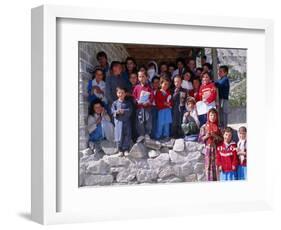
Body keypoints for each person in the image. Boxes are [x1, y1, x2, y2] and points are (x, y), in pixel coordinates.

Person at [199, 108, 223, 181]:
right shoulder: (204, 127)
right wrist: (207, 136)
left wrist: (215, 136)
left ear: (217, 116)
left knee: (216, 166)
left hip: (217, 150)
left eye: (214, 115)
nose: (212, 117)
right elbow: (200, 140)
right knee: (209, 167)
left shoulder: (219, 127)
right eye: (211, 115)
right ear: (208, 116)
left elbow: (223, 139)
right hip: (208, 150)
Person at [133, 70, 154, 142]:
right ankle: (141, 134)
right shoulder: (136, 87)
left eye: (143, 76)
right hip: (139, 108)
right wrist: (137, 101)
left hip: (147, 107)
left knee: (148, 121)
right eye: (139, 76)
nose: (141, 78)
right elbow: (134, 97)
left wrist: (148, 102)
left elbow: (151, 97)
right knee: (139, 122)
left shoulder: (149, 87)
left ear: (146, 77)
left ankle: (147, 134)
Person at [111, 87, 132, 156]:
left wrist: (124, 111)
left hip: (126, 122)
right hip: (118, 122)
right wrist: (117, 112)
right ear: (117, 94)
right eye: (119, 93)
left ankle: (126, 149)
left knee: (126, 134)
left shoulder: (128, 103)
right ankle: (120, 150)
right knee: (118, 135)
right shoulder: (115, 103)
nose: (121, 94)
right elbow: (112, 111)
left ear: (125, 94)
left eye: (122, 93)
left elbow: (130, 110)